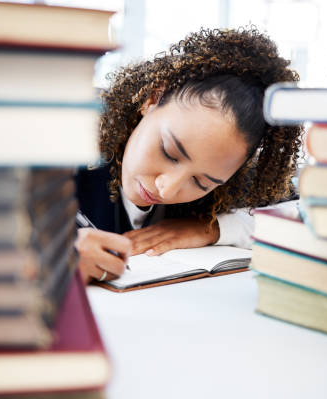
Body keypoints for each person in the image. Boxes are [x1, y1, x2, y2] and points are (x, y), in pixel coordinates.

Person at [74, 27, 303, 283]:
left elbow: (311, 217)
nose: (167, 190)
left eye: (201, 183)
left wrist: (214, 229)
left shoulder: (229, 174)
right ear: (153, 99)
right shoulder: (67, 142)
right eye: (170, 153)